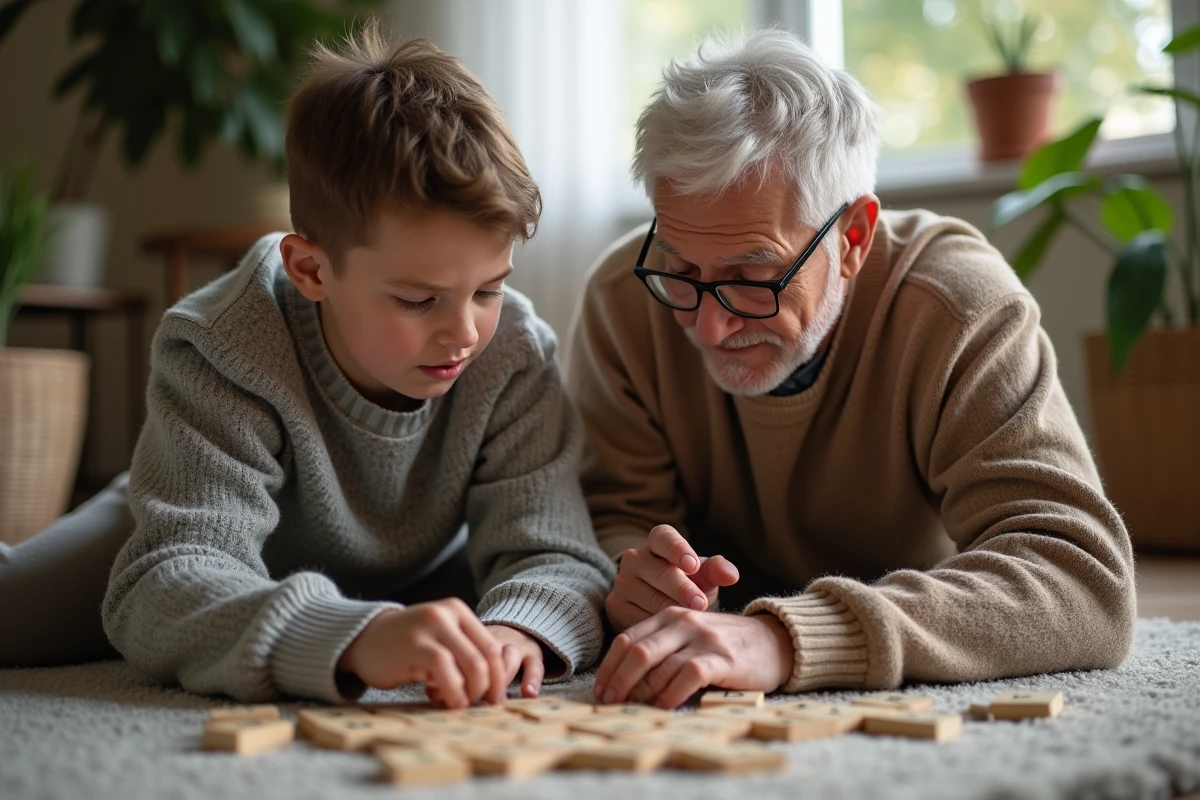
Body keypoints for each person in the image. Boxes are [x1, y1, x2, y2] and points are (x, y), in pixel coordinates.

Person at [0, 24, 614, 708]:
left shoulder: (515, 353)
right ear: (311, 269)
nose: (465, 331)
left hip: (419, 558)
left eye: (490, 289)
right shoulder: (223, 344)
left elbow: (557, 554)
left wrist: (519, 630)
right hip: (196, 507)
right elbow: (164, 582)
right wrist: (352, 635)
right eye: (419, 299)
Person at [570, 29, 1135, 710]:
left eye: (754, 277)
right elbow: (612, 519)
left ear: (853, 239)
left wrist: (785, 638)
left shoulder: (956, 309)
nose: (709, 326)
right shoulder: (624, 299)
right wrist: (636, 578)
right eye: (683, 270)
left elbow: (1082, 581)